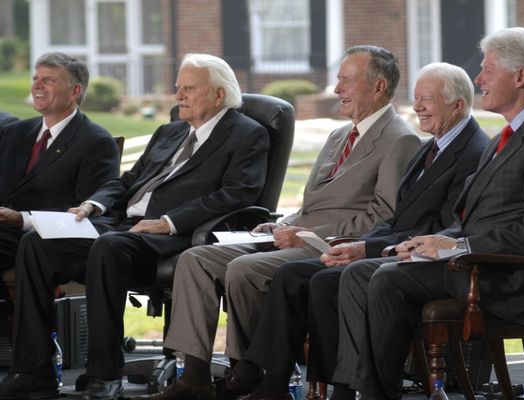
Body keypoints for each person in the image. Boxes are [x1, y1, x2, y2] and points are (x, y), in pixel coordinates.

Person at [141, 45, 421, 400]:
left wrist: (307, 234)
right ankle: (195, 378)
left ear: (378, 87)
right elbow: (313, 203)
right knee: (196, 259)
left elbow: (383, 217)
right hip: (293, 235)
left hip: (330, 246)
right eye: (338, 81)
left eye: (346, 81)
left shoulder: (400, 140)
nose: (336, 90)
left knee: (244, 269)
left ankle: (251, 371)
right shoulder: (339, 135)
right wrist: (282, 223)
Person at [0, 53, 269, 400]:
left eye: (188, 89)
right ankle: (33, 370)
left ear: (219, 95)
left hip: (175, 236)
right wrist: (93, 203)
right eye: (178, 88)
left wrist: (169, 222)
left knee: (109, 247)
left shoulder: (247, 134)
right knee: (38, 244)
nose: (178, 97)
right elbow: (126, 181)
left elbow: (236, 194)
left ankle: (104, 373)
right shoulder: (170, 132)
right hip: (122, 226)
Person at [340, 27, 524, 400]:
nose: (478, 79)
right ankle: (364, 390)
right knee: (365, 270)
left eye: (488, 70)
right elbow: (473, 219)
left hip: (512, 279)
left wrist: (458, 246)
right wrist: (428, 243)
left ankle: (376, 394)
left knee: (386, 279)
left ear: (519, 77)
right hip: (479, 265)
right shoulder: (505, 138)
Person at [225, 62, 490, 400]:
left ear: (458, 105)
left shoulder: (473, 152)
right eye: (416, 98)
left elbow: (438, 229)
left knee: (321, 280)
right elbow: (395, 218)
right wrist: (357, 243)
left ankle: (340, 390)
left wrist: (368, 249)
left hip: (418, 258)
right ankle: (275, 381)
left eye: (428, 99)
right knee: (293, 275)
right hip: (388, 245)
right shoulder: (432, 146)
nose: (418, 106)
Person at [0, 52, 120, 281]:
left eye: (49, 80)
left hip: (41, 240)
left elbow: (84, 215)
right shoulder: (13, 132)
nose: (37, 85)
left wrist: (22, 218)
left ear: (75, 91)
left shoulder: (96, 142)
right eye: (36, 78)